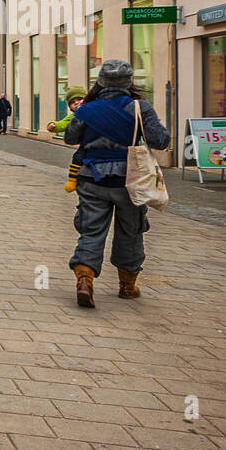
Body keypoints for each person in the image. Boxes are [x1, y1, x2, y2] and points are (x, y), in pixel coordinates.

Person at [65, 59, 170, 308]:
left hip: (92, 178)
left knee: (91, 230)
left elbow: (70, 137)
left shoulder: (86, 109)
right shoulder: (139, 107)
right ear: (129, 82)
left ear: (100, 82)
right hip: (131, 180)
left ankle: (84, 279)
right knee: (130, 231)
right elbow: (160, 140)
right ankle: (127, 285)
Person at [47, 86, 87, 192]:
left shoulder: (95, 109)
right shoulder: (74, 116)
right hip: (85, 144)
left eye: (79, 99)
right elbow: (62, 123)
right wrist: (53, 126)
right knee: (77, 157)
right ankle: (72, 180)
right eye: (73, 102)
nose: (77, 103)